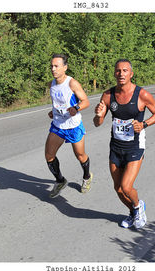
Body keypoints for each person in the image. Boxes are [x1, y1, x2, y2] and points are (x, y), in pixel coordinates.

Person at [93, 59, 155, 229]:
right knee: (118, 188)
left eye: (125, 70)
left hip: (134, 146)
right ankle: (133, 213)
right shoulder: (108, 95)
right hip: (116, 147)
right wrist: (99, 115)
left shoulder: (142, 95)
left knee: (126, 186)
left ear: (131, 74)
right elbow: (97, 123)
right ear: (114, 73)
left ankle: (139, 206)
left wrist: (144, 124)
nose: (121, 74)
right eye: (118, 71)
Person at [45, 54, 93, 198]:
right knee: (49, 155)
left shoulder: (72, 83)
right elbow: (58, 102)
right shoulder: (51, 84)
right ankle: (60, 181)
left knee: (80, 155)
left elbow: (86, 101)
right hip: (58, 125)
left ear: (64, 67)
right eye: (52, 66)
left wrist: (76, 108)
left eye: (56, 66)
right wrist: (53, 111)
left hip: (73, 125)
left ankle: (86, 176)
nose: (53, 69)